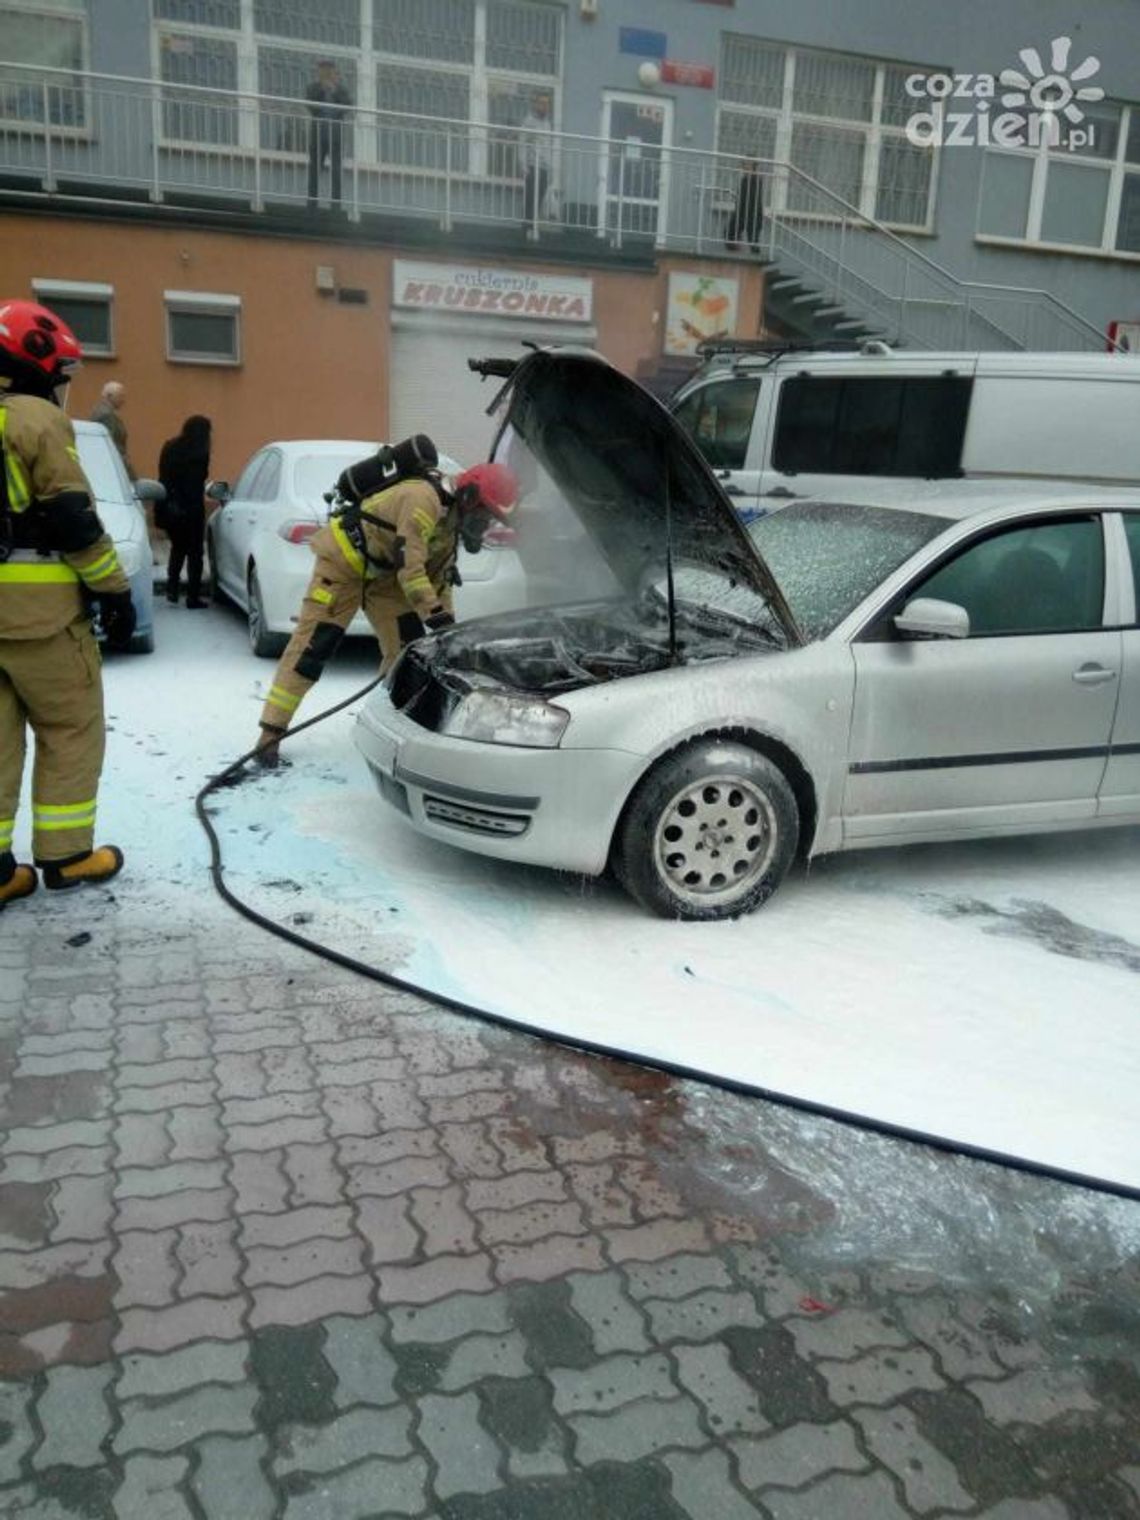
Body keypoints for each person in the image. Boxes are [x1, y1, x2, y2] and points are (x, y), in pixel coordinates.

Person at [0, 298, 136, 909]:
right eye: (61, 372)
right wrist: (114, 591)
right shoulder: (36, 420)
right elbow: (72, 519)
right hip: (40, 618)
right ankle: (65, 854)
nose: (62, 384)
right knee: (69, 727)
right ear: (34, 361)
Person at [254, 454, 519, 765]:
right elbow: (411, 570)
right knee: (311, 649)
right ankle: (270, 734)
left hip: (383, 575)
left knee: (407, 654)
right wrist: (434, 615)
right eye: (484, 512)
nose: (484, 521)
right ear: (469, 495)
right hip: (343, 563)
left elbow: (439, 578)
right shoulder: (422, 499)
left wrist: (447, 629)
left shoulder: (451, 520)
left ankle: (388, 728)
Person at [158, 414, 211, 608]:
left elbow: (163, 475)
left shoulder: (169, 447)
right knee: (195, 553)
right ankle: (192, 596)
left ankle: (172, 587)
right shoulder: (200, 453)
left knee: (178, 547)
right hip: (192, 508)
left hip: (171, 506)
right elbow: (199, 479)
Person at [306, 61, 351, 210]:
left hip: (335, 136)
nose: (327, 73)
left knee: (336, 170)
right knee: (314, 169)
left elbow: (348, 105)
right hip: (318, 135)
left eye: (329, 70)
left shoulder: (340, 89)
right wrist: (322, 89)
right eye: (323, 70)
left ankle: (336, 204)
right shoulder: (313, 87)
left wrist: (334, 91)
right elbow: (310, 106)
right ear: (319, 72)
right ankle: (312, 203)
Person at [519, 91, 554, 231]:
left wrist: (551, 169)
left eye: (547, 104)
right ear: (536, 104)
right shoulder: (529, 121)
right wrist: (523, 166)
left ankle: (533, 227)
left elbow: (549, 147)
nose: (545, 106)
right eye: (542, 103)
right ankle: (527, 229)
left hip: (544, 168)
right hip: (532, 166)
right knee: (530, 199)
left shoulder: (547, 124)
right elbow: (522, 143)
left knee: (539, 199)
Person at [89, 380, 135, 479]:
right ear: (109, 396)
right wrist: (129, 473)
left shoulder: (99, 410)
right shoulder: (108, 415)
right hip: (113, 469)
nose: (123, 400)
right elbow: (113, 446)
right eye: (120, 396)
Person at [725, 159, 765, 252]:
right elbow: (742, 196)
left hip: (753, 214)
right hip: (741, 213)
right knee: (729, 233)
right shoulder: (745, 179)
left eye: (747, 164)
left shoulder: (756, 179)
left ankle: (756, 257)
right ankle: (735, 252)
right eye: (744, 164)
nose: (744, 167)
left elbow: (752, 197)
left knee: (753, 240)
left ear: (753, 166)